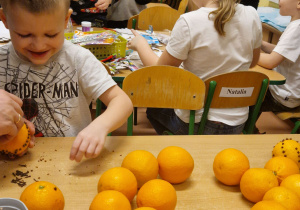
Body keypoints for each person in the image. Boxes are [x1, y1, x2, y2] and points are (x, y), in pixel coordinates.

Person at [0, 0, 133, 162]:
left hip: (71, 160)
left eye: (51, 34)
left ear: (65, 20)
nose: (39, 45)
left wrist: (99, 127)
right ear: (4, 19)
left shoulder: (78, 59)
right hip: (10, 163)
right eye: (24, 35)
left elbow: (122, 102)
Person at [128, 0, 261, 135]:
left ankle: (180, 146)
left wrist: (141, 44)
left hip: (197, 123)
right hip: (237, 123)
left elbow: (159, 71)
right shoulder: (251, 14)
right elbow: (252, 62)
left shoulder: (189, 21)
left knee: (153, 108)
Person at [256, 0, 300, 125]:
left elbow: (271, 62)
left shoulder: (296, 28)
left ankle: (248, 130)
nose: (279, 0)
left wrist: (248, 55)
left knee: (247, 92)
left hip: (284, 95)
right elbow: (282, 52)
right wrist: (262, 44)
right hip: (290, 92)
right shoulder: (295, 25)